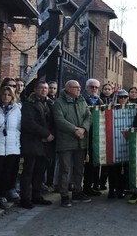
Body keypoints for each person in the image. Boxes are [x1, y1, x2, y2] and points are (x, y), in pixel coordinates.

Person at [52, 80, 92, 208]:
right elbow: (59, 120)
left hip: (80, 141)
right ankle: (64, 194)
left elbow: (88, 116)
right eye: (76, 87)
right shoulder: (59, 102)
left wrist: (84, 129)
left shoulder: (81, 100)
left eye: (80, 87)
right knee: (65, 169)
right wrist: (75, 130)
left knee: (79, 168)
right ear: (68, 88)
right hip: (66, 141)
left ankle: (77, 191)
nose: (79, 90)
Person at [19, 81, 55, 209]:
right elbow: (29, 123)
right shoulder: (29, 104)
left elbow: (53, 122)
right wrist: (45, 134)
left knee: (40, 172)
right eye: (41, 88)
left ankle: (37, 196)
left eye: (46, 88)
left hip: (45, 144)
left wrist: (51, 135)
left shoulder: (50, 104)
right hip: (32, 143)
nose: (44, 90)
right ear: (35, 89)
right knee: (28, 172)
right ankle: (25, 198)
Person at [106, 89, 130, 199]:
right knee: (112, 168)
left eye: (125, 97)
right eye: (121, 97)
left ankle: (121, 190)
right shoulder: (110, 108)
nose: (123, 99)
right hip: (113, 140)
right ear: (117, 98)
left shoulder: (131, 109)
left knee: (123, 169)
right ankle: (111, 190)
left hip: (125, 141)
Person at [81, 79, 103, 197]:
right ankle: (79, 188)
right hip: (83, 134)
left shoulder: (100, 101)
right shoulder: (81, 100)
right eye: (91, 87)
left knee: (93, 163)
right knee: (81, 163)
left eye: (96, 87)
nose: (94, 89)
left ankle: (90, 186)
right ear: (87, 87)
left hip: (96, 135)